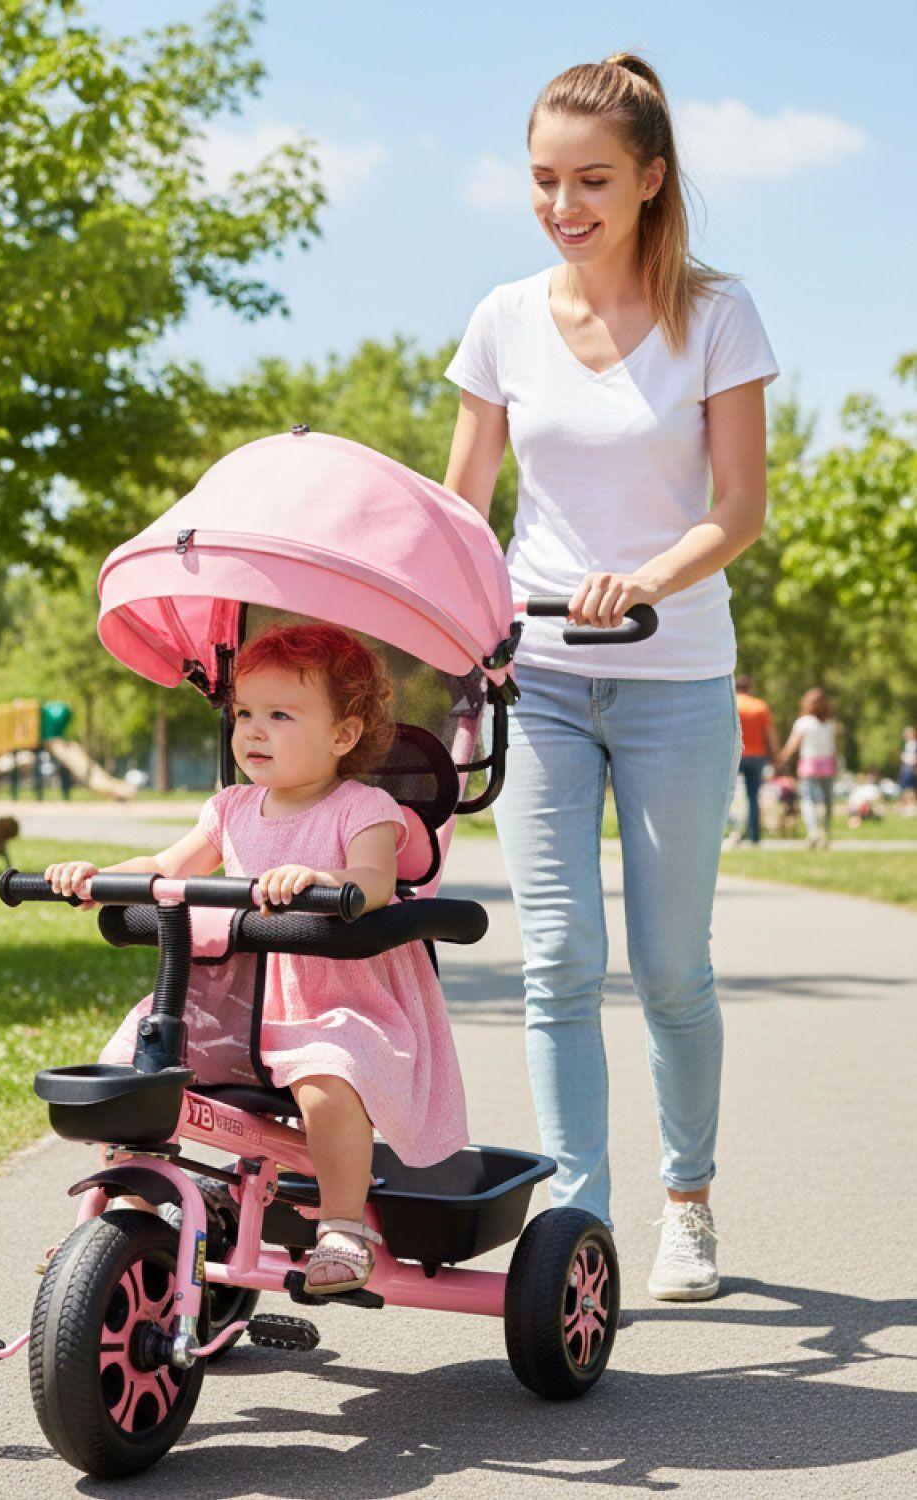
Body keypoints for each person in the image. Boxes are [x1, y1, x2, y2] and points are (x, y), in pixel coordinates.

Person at [441, 53, 779, 1300]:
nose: (563, 204)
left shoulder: (718, 313)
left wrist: (643, 578)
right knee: (557, 959)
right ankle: (574, 1229)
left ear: (648, 179)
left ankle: (686, 1201)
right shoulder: (503, 319)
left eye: (590, 179)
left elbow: (737, 510)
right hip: (537, 676)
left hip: (676, 677)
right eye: (543, 180)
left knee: (673, 965)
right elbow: (461, 507)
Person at [46, 624, 467, 1294]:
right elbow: (162, 866)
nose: (253, 731)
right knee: (136, 1065)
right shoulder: (230, 808)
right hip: (235, 998)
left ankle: (341, 1225)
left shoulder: (365, 809)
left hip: (337, 998)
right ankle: (125, 1222)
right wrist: (95, 877)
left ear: (342, 737)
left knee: (327, 1082)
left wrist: (319, 879)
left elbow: (376, 881)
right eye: (244, 713)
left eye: (279, 715)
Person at [780, 689, 840, 848]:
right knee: (827, 801)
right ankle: (826, 833)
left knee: (808, 800)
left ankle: (813, 832)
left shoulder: (803, 722)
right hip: (827, 764)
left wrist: (781, 759)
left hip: (810, 764)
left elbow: (793, 745)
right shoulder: (830, 723)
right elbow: (834, 748)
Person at [732, 675, 779, 845]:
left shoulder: (732, 704)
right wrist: (776, 756)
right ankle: (755, 835)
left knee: (731, 796)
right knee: (753, 797)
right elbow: (770, 734)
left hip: (734, 755)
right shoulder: (760, 706)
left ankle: (735, 831)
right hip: (757, 756)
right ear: (749, 688)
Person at [899, 725, 917, 818]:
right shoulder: (906, 745)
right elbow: (902, 756)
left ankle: (913, 806)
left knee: (912, 788)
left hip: (912, 768)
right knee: (905, 788)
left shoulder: (915, 744)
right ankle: (907, 806)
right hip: (905, 768)